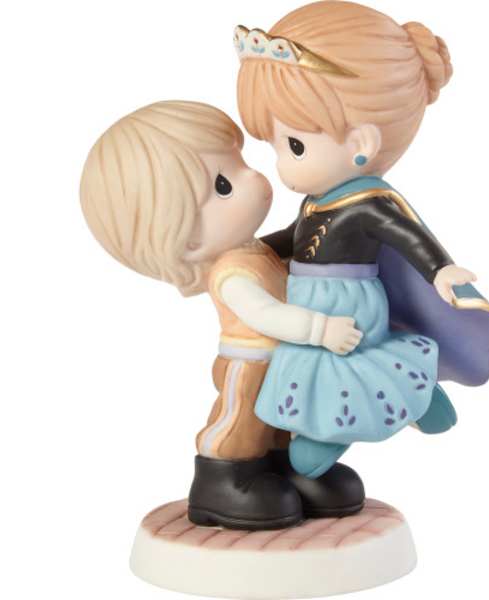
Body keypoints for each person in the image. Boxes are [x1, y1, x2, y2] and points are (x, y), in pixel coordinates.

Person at [235, 1, 489, 478]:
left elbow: (405, 233)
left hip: (346, 304)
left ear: (360, 145)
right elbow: (297, 238)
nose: (281, 165)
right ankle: (419, 396)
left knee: (338, 366)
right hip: (311, 298)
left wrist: (440, 270)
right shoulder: (317, 199)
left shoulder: (367, 204)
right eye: (276, 145)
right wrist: (255, 249)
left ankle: (328, 431)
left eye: (294, 146)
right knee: (314, 361)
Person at [80, 101, 365, 530]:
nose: (254, 179)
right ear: (187, 239)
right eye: (223, 185)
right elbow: (266, 314)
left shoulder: (253, 250)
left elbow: (298, 246)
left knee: (281, 420)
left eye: (240, 163)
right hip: (250, 364)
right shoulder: (232, 275)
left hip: (284, 362)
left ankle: (284, 467)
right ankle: (223, 477)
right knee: (242, 420)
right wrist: (320, 329)